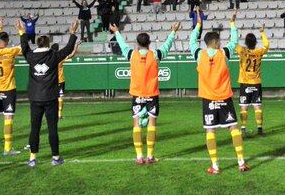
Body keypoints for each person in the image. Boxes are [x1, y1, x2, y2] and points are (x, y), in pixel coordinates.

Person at [111, 22, 179, 164]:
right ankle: (150, 156)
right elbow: (167, 45)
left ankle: (139, 156)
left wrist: (117, 32)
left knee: (136, 124)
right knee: (152, 124)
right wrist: (173, 32)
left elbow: (122, 45)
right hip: (152, 95)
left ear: (137, 43)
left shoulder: (132, 54)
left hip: (137, 95)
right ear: (149, 43)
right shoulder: (155, 55)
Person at [190, 10, 249, 174]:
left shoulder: (199, 54)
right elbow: (235, 40)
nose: (220, 43)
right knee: (234, 128)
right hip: (225, 99)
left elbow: (192, 41)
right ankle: (241, 162)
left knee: (210, 131)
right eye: (219, 41)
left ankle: (215, 166)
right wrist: (232, 23)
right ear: (215, 42)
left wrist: (198, 24)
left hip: (208, 100)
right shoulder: (224, 54)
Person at [17, 18, 78, 167]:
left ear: (38, 44)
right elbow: (69, 49)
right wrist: (72, 33)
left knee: (34, 129)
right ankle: (55, 157)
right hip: (50, 98)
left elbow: (24, 47)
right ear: (48, 44)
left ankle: (32, 158)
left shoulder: (31, 57)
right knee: (52, 129)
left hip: (35, 98)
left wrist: (22, 32)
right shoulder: (53, 56)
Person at [0, 18, 22, 156]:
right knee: (8, 119)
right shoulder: (11, 51)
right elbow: (23, 46)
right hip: (8, 89)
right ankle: (7, 149)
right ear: (7, 41)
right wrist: (20, 30)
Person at [236, 26, 270, 136]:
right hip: (256, 83)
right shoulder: (259, 52)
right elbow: (266, 45)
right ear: (255, 42)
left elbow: (234, 43)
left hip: (244, 83)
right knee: (257, 106)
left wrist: (234, 28)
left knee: (244, 107)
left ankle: (243, 129)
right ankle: (260, 129)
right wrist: (262, 32)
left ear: (246, 42)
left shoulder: (242, 51)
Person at [52, 42, 79, 120]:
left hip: (51, 81)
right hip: (60, 80)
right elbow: (72, 54)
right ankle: (59, 115)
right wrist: (76, 45)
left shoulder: (49, 57)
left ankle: (52, 114)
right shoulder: (60, 57)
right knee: (60, 97)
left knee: (52, 98)